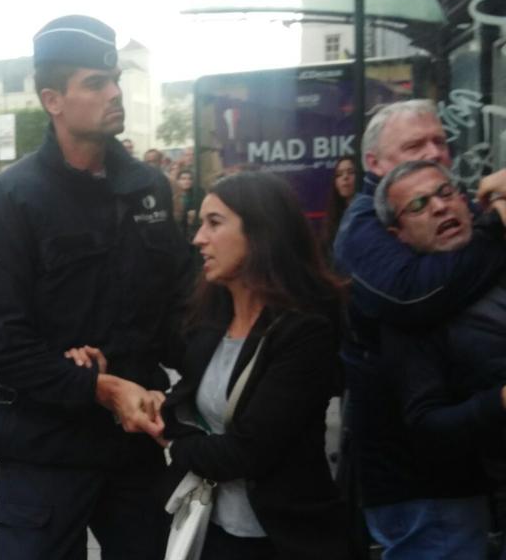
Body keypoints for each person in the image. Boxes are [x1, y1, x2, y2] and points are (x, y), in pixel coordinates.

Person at [0, 15, 192, 559]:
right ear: (53, 101)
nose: (115, 92)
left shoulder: (148, 189)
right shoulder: (8, 199)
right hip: (44, 447)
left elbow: (178, 309)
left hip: (133, 445)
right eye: (95, 83)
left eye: (114, 79)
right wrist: (97, 386)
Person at [333, 99, 506, 559]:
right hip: (419, 480)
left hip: (465, 472)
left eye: (439, 141)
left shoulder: (454, 216)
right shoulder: (365, 225)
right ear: (374, 162)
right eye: (414, 145)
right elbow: (413, 295)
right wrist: (496, 226)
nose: (433, 152)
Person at [157, 171, 348, 559]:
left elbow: (246, 453)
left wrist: (172, 441)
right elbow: (181, 401)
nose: (198, 238)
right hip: (211, 531)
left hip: (282, 539)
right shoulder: (211, 319)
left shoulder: (304, 331)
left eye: (214, 223)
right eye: (199, 224)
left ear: (261, 231)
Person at [321, 155, 357, 255]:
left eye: (351, 172)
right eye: (339, 174)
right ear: (335, 183)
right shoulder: (332, 217)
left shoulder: (369, 211)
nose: (345, 177)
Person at [175, 168, 203, 242]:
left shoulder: (198, 194)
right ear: (177, 181)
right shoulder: (174, 197)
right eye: (183, 179)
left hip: (194, 231)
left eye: (189, 179)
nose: (187, 181)